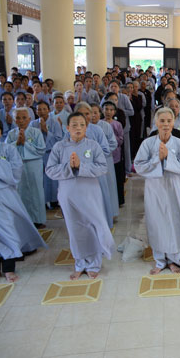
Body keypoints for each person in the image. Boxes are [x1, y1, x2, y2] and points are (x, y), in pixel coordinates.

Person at [46, 112, 115, 279]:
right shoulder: (59, 147)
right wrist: (69, 167)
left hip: (90, 192)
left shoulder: (93, 146)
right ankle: (80, 263)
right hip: (68, 194)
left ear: (86, 127)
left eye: (82, 125)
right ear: (67, 128)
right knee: (74, 228)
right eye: (74, 125)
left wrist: (80, 166)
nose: (78, 128)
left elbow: (102, 167)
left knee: (92, 225)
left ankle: (94, 263)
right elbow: (50, 170)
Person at [134, 108, 180, 274]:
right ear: (156, 123)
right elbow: (138, 165)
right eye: (162, 121)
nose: (166, 124)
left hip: (174, 187)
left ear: (174, 122)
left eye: (169, 121)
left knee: (174, 221)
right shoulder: (148, 144)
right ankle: (160, 261)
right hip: (155, 188)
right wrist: (158, 159)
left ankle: (174, 260)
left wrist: (169, 157)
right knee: (157, 222)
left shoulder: (179, 144)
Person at [0, 119, 47, 282]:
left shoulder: (9, 149)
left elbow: (15, 172)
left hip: (5, 195)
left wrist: (0, 166)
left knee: (8, 230)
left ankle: (8, 268)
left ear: (0, 132)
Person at [7, 108, 47, 228]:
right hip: (17, 166)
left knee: (36, 191)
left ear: (29, 119)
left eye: (24, 118)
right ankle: (24, 219)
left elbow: (41, 150)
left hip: (34, 165)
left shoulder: (36, 132)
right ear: (14, 120)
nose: (21, 121)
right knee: (20, 191)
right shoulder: (11, 134)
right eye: (18, 118)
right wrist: (16, 143)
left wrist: (25, 143)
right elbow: (6, 150)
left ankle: (38, 219)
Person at [29, 101, 63, 209]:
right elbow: (30, 140)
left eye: (44, 109)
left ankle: (54, 201)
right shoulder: (33, 124)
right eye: (39, 109)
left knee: (52, 179)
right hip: (38, 155)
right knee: (40, 179)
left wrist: (46, 131)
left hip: (51, 153)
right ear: (36, 111)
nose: (42, 111)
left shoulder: (55, 122)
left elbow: (59, 139)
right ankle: (42, 202)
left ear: (49, 110)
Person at [103, 101, 125, 206]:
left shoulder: (117, 124)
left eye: (111, 110)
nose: (108, 112)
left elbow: (121, 140)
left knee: (117, 178)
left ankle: (119, 200)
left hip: (115, 155)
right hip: (103, 155)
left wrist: (111, 135)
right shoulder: (100, 123)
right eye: (106, 109)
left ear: (114, 112)